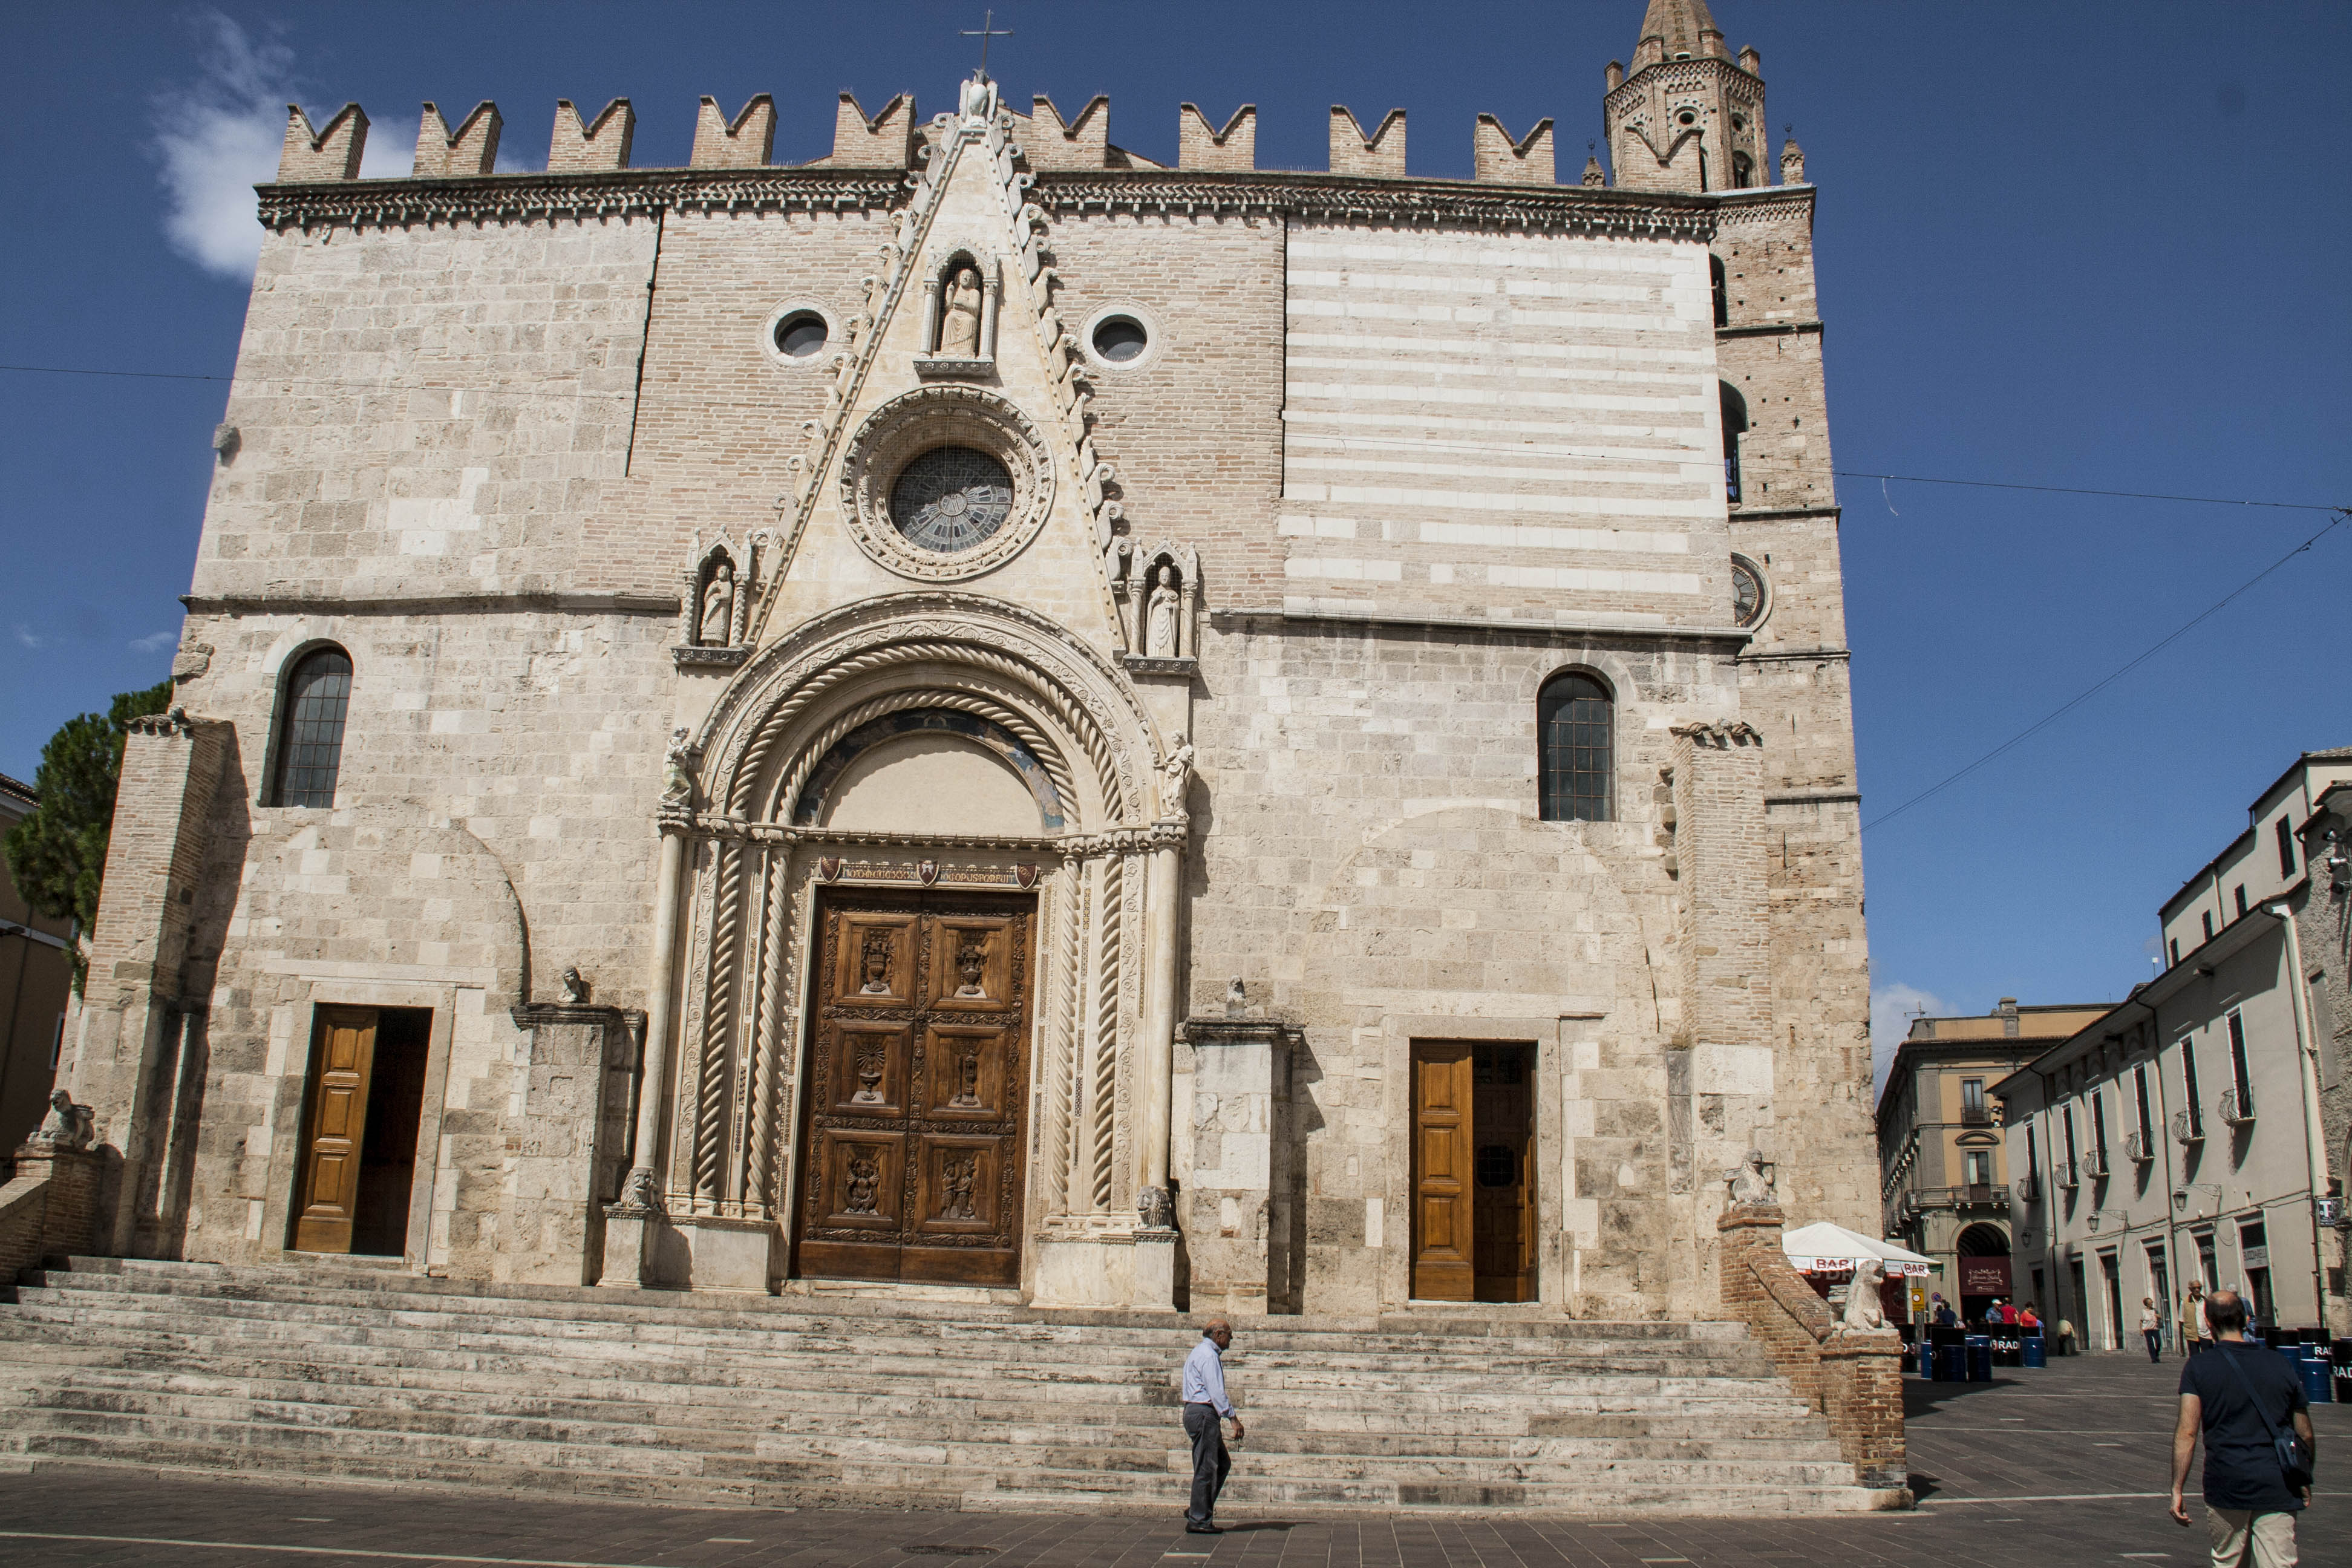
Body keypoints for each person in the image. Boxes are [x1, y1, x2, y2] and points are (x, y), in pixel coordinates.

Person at [2169, 1289, 2313, 1566]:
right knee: (2279, 1563)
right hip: (2277, 1482)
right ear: (2246, 1319)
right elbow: (2304, 1431)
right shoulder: (2279, 1363)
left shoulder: (2198, 1367)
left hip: (2227, 1481)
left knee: (2228, 1562)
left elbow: (2187, 1432)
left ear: (2208, 1324)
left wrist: (2177, 1488)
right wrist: (2304, 1477)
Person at [1180, 1318, 1244, 1534]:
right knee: (1207, 1466)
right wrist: (1232, 1418)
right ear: (1218, 1335)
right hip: (1204, 1413)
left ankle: (1199, 1508)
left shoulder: (1199, 1352)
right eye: (1228, 1334)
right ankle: (1199, 1519)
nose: (1231, 1339)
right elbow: (1216, 1392)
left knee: (1222, 1463)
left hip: (1195, 1412)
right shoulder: (1209, 1356)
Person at [2184, 1282, 2213, 1357]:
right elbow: (2181, 1320)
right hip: (2192, 1334)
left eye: (2199, 1288)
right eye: (2195, 1288)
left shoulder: (2206, 1301)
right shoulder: (2185, 1302)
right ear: (2191, 1289)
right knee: (2195, 1357)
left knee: (2208, 1357)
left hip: (2206, 1334)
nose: (2197, 1290)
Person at [2141, 1296, 2166, 1364]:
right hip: (2147, 1329)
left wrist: (2159, 1317)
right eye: (2150, 1303)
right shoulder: (2144, 1311)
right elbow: (2141, 1321)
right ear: (2147, 1304)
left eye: (2152, 1302)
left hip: (2155, 1328)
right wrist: (2141, 1330)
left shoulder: (2155, 1310)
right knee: (2150, 1344)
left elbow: (2160, 1317)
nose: (2152, 1304)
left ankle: (2156, 1354)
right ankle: (2154, 1359)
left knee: (2159, 1342)